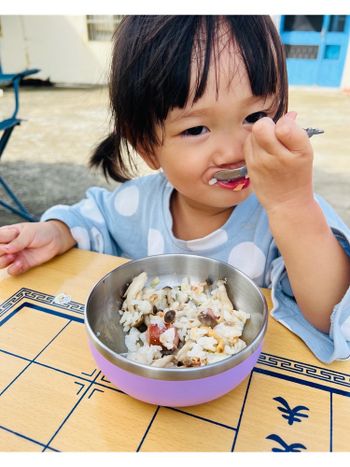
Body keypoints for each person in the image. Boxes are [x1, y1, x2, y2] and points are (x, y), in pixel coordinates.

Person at [0, 16, 349, 362]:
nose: (233, 152)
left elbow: (333, 316)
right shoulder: (138, 204)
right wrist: (57, 232)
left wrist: (291, 204)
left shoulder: (291, 215)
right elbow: (93, 217)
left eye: (255, 117)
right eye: (197, 129)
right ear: (148, 148)